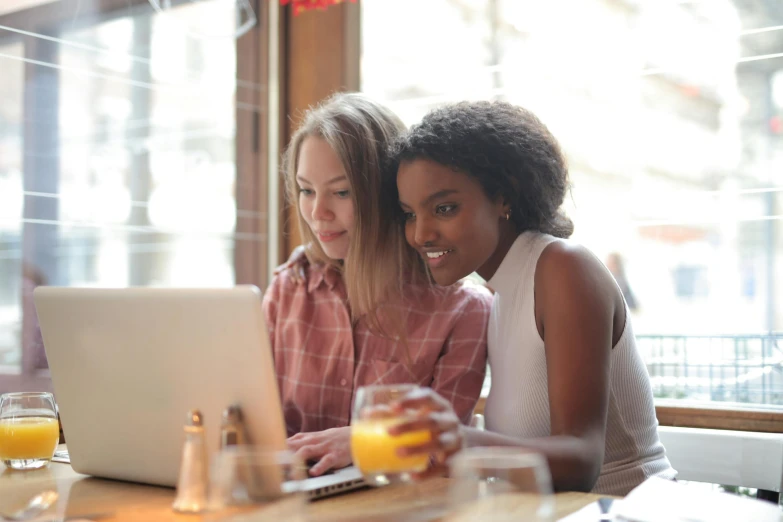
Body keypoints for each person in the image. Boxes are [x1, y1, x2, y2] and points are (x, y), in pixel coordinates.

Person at [386, 100, 676, 496]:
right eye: (409, 214)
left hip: (624, 510)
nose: (420, 234)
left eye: (444, 208)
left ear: (505, 197)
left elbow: (581, 462)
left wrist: (462, 440)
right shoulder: (500, 295)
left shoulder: (563, 269)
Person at [262, 93, 492, 477]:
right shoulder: (288, 288)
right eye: (306, 190)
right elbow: (252, 426)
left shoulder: (462, 310)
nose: (318, 212)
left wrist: (364, 441)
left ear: (387, 196)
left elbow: (445, 455)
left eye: (341, 192)